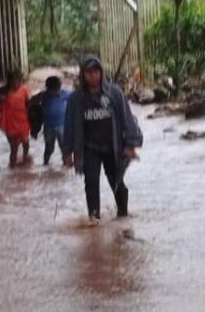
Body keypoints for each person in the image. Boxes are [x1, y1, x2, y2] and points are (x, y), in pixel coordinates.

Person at [63, 56, 143, 224]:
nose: (93, 76)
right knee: (91, 184)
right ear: (83, 75)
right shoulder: (76, 99)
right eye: (89, 73)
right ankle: (94, 220)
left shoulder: (114, 93)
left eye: (96, 71)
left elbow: (127, 118)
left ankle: (123, 217)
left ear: (101, 72)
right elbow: (70, 125)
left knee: (117, 182)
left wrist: (131, 144)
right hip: (90, 148)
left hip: (112, 146)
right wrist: (67, 151)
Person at [0, 69, 31, 167]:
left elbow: (28, 103)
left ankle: (25, 158)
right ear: (9, 82)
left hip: (23, 121)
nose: (17, 84)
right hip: (10, 123)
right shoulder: (3, 93)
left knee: (26, 143)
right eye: (14, 81)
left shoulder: (24, 90)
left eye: (19, 81)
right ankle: (12, 167)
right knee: (14, 147)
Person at [41, 75, 71, 166]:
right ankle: (45, 163)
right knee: (49, 148)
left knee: (65, 147)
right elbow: (31, 103)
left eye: (56, 89)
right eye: (52, 90)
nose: (54, 92)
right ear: (47, 88)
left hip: (63, 126)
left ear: (59, 87)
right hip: (48, 127)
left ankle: (67, 165)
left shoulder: (65, 93)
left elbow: (76, 99)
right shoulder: (43, 95)